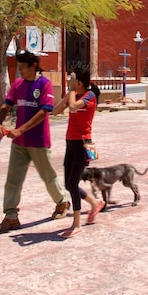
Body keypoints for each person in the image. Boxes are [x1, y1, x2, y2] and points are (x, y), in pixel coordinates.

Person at [0, 50, 70, 232]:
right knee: (13, 179)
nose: (20, 71)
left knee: (47, 176)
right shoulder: (18, 84)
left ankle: (62, 202)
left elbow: (44, 111)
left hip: (38, 141)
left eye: (23, 67)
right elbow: (7, 103)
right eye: (18, 67)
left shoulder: (44, 84)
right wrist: (0, 123)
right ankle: (11, 215)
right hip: (19, 143)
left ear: (33, 66)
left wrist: (20, 130)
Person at [52, 68, 104, 238]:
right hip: (70, 143)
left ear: (79, 83)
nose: (69, 82)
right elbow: (56, 111)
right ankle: (94, 202)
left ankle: (76, 224)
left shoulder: (89, 96)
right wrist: (69, 94)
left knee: (73, 184)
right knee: (68, 184)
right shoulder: (74, 94)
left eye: (72, 80)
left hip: (83, 144)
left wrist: (72, 92)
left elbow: (73, 108)